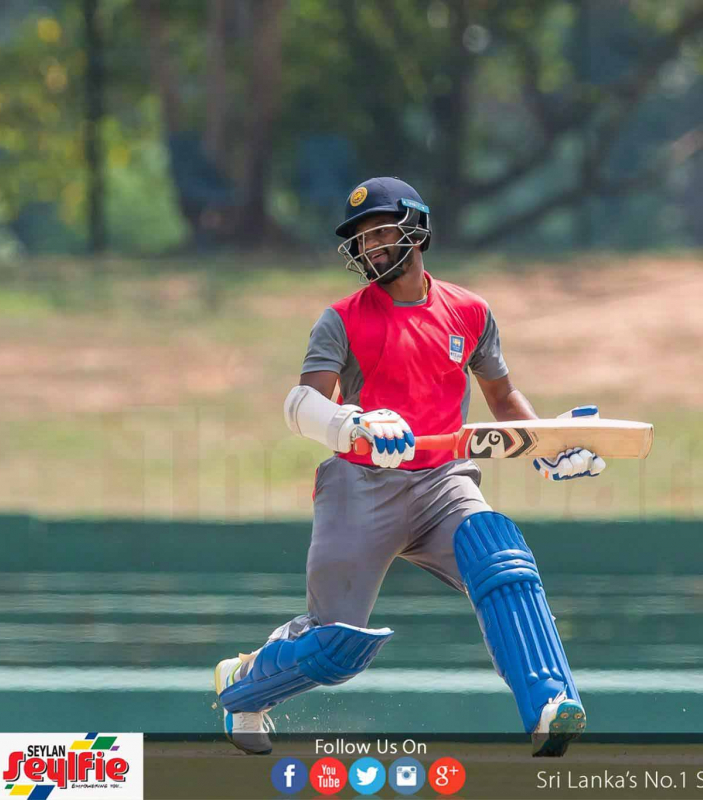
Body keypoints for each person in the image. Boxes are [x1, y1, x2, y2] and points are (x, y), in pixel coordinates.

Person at [212, 177, 606, 757]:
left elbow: (502, 398)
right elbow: (302, 404)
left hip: (444, 483)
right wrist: (356, 424)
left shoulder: (469, 312)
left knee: (500, 556)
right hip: (360, 485)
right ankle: (244, 684)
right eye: (362, 238)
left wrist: (548, 444)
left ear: (416, 229)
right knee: (334, 647)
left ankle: (551, 705)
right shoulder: (341, 319)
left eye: (381, 232)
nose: (370, 246)